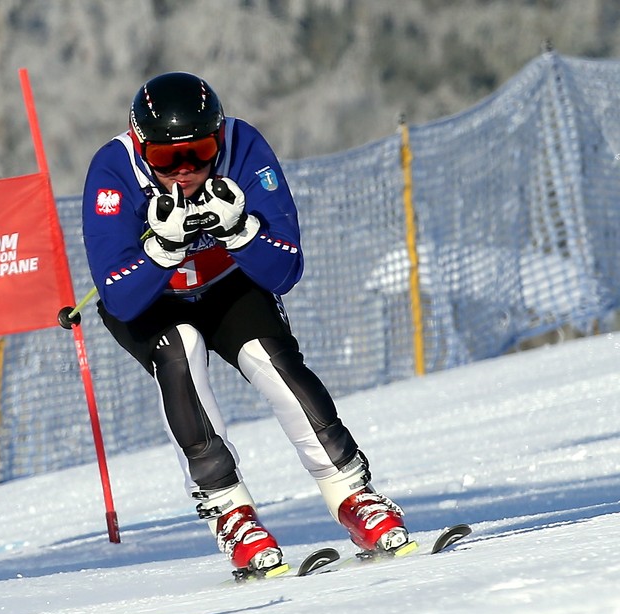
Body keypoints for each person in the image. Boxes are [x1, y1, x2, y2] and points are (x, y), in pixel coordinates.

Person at [81, 71, 412, 577]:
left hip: (227, 285)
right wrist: (164, 251)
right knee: (181, 349)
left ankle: (352, 494)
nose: (185, 170)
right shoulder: (114, 168)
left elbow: (285, 268)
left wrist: (240, 231)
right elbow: (121, 297)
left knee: (269, 356)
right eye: (167, 159)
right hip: (154, 300)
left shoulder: (244, 145)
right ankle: (228, 510)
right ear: (142, 147)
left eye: (200, 150)